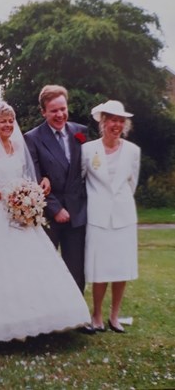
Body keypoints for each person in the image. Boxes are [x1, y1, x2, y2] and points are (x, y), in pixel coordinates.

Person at [0, 101, 91, 346]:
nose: (8, 125)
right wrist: (7, 195)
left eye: (11, 121)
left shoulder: (19, 148)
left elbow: (29, 177)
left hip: (20, 213)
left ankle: (35, 321)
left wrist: (37, 185)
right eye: (3, 121)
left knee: (28, 263)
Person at [82, 100, 140, 333]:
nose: (116, 124)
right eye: (112, 120)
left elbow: (131, 183)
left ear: (124, 124)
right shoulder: (88, 150)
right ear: (103, 122)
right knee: (99, 268)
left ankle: (114, 316)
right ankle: (96, 314)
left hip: (124, 217)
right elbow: (81, 179)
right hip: (97, 217)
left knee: (121, 267)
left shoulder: (133, 151)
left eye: (120, 120)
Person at [24, 85, 88, 293]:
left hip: (77, 213)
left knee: (76, 268)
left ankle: (77, 315)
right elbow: (33, 177)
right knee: (47, 267)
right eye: (54, 110)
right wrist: (55, 208)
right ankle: (49, 317)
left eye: (63, 109)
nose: (60, 114)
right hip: (49, 215)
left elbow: (85, 171)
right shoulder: (32, 138)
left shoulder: (80, 132)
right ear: (43, 112)